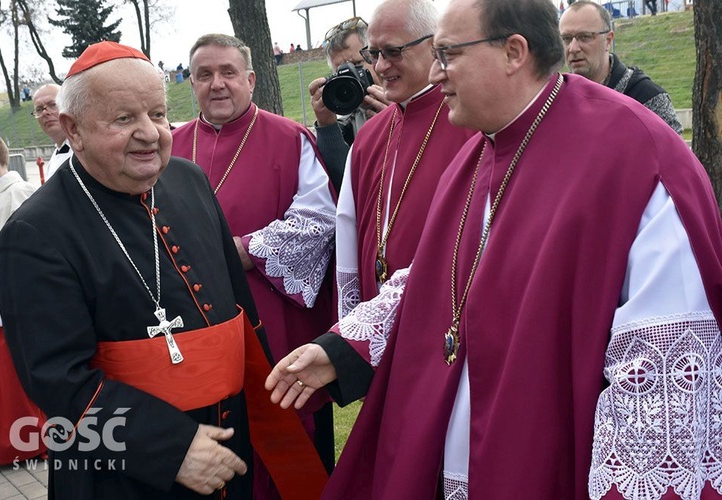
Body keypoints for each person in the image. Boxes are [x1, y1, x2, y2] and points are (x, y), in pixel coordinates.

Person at [266, 0, 722, 498]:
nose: (436, 74)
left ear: (513, 52)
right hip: (454, 456)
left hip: (545, 465)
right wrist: (341, 351)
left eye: (447, 54)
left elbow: (660, 374)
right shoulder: (478, 153)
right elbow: (434, 279)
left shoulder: (634, 157)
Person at [0, 41, 327, 499]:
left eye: (157, 114)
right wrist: (170, 449)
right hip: (125, 474)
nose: (151, 134)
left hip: (230, 441)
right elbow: (56, 380)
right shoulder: (36, 231)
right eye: (124, 119)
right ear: (73, 129)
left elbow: (241, 316)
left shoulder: (188, 180)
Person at [171, 34, 337, 494]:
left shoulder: (290, 138)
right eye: (204, 75)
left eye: (227, 73)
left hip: (274, 323)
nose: (217, 84)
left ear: (251, 79)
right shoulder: (169, 145)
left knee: (288, 454)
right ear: (192, 84)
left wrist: (238, 250)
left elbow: (317, 221)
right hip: (194, 329)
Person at [334, 0, 474, 320]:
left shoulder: (470, 123)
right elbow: (348, 234)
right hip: (374, 311)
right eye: (373, 54)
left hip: (442, 315)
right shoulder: (368, 137)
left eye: (393, 51)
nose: (381, 67)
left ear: (432, 45)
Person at [0, 130, 43, 466]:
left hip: (14, 301)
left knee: (15, 372)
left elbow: (37, 251)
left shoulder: (19, 193)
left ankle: (27, 439)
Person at [560, 1, 683, 133]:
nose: (573, 48)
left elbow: (673, 153)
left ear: (608, 40)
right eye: (566, 38)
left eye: (584, 37)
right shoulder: (556, 101)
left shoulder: (648, 99)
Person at [308, 16, 390, 192]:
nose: (350, 75)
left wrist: (398, 117)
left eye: (356, 64)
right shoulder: (345, 125)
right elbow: (345, 185)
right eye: (341, 71)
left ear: (375, 57)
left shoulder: (406, 102)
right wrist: (327, 125)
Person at [32, 83, 72, 180]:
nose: (45, 112)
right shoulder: (54, 157)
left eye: (52, 105)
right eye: (39, 109)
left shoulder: (87, 150)